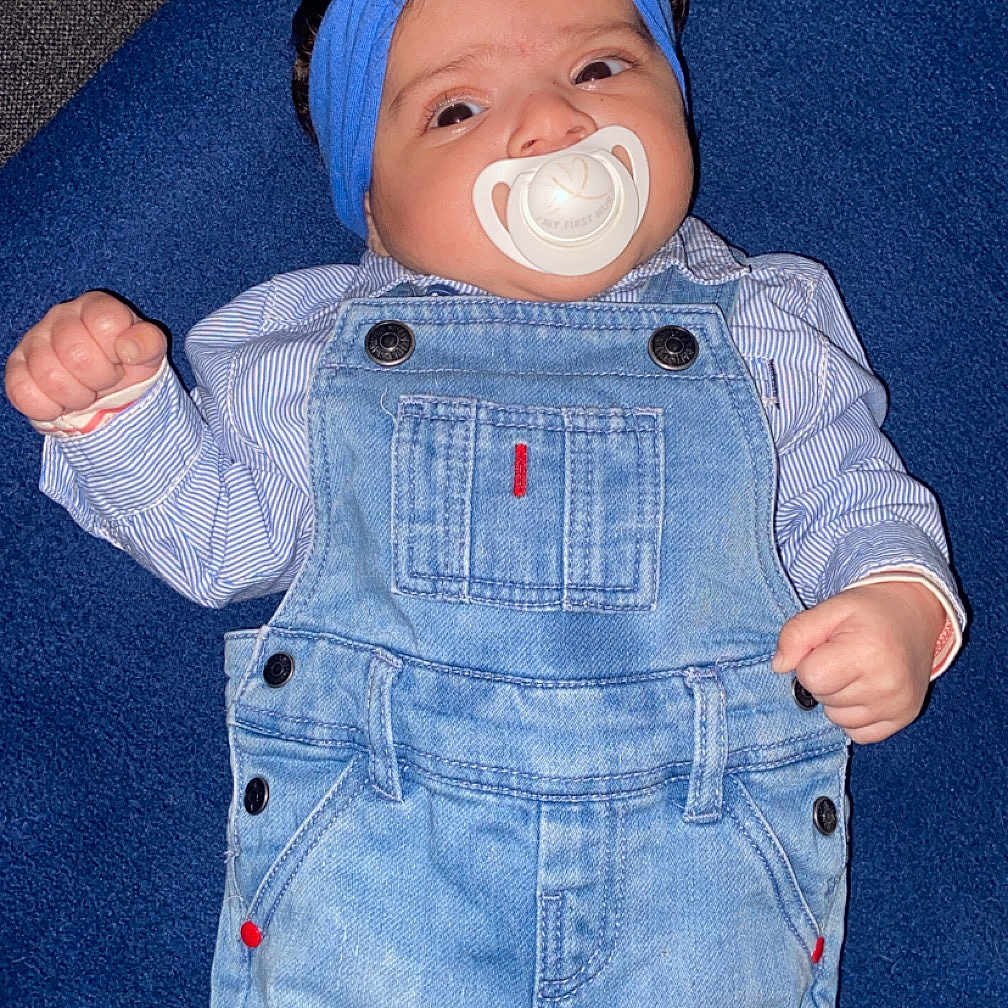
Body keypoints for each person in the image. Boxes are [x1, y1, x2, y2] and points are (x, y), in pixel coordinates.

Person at [3, 0, 966, 1004]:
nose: (550, 122)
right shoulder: (318, 354)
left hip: (700, 865)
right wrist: (117, 417)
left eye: (598, 69)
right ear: (375, 206)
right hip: (385, 858)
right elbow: (224, 536)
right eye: (457, 110)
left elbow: (850, 493)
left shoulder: (761, 326)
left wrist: (899, 602)